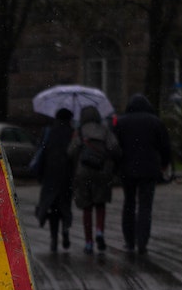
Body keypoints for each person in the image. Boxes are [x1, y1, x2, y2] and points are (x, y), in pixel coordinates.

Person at [112, 94, 172, 256]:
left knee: (129, 204)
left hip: (127, 169)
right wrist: (164, 163)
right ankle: (142, 241)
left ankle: (129, 240)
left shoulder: (121, 122)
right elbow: (165, 146)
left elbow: (115, 147)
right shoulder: (155, 122)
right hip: (149, 169)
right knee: (145, 206)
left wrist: (116, 166)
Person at [70, 106, 121, 254]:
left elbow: (71, 152)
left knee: (87, 207)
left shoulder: (80, 131)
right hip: (102, 171)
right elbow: (115, 148)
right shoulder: (105, 131)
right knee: (100, 204)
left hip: (83, 172)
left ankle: (88, 242)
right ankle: (99, 231)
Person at [29, 108, 77, 252]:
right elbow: (75, 155)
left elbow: (41, 151)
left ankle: (54, 237)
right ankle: (65, 230)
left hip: (50, 175)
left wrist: (40, 175)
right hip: (66, 176)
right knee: (65, 206)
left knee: (53, 208)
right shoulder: (72, 133)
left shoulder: (48, 132)